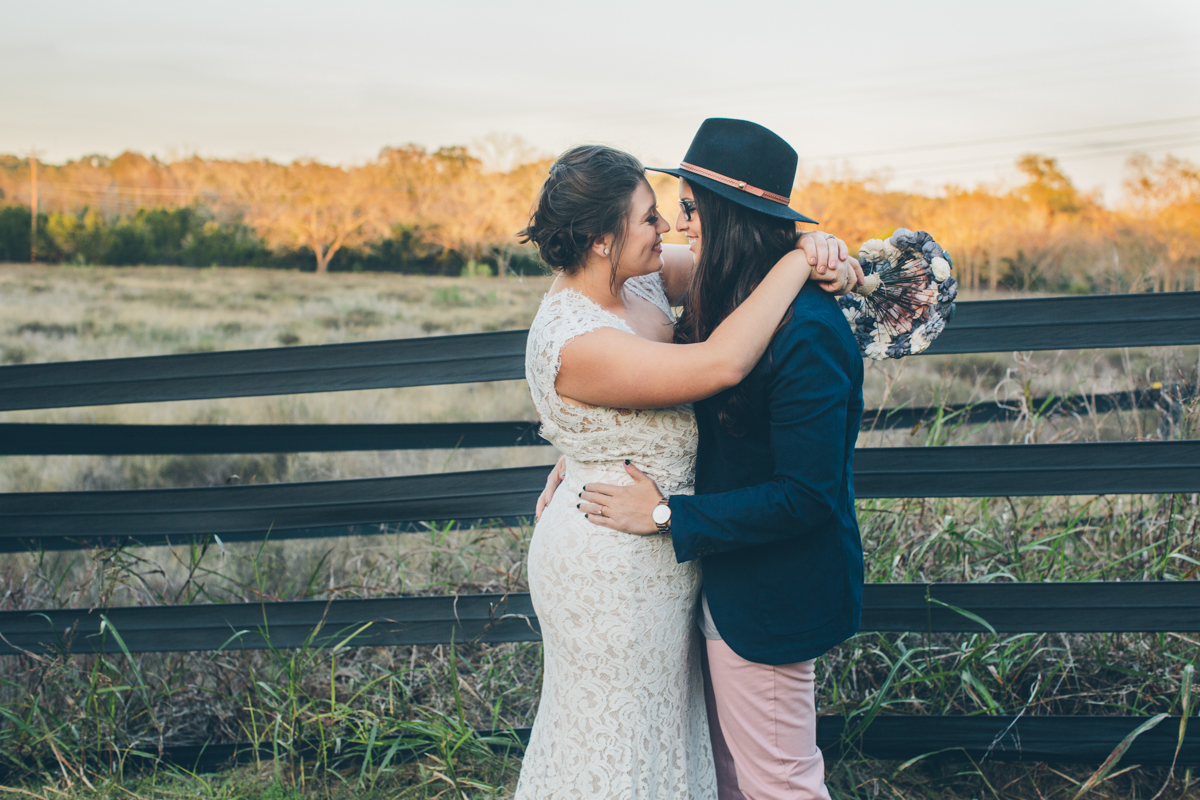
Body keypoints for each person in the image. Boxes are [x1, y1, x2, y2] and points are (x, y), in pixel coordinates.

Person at [515, 141, 856, 800]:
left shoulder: (635, 277)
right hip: (610, 561)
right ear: (600, 240)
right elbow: (719, 365)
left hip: (666, 550)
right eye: (649, 218)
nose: (667, 228)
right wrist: (797, 257)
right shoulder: (574, 338)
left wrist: (833, 256)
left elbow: (728, 256)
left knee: (666, 741)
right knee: (616, 741)